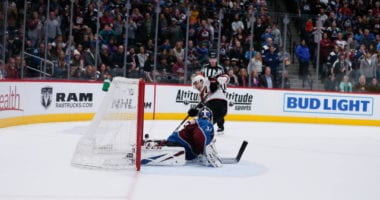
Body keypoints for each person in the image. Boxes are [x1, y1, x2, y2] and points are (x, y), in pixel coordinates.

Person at [145, 106, 222, 167]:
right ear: (210, 117)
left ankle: (155, 144)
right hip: (181, 146)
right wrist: (202, 151)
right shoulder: (207, 124)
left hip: (175, 141)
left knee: (166, 144)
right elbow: (199, 136)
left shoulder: (198, 121)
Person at [197, 51, 229, 134]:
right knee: (207, 107)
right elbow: (201, 78)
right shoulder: (204, 68)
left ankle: (220, 126)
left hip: (218, 90)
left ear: (216, 59)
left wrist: (222, 89)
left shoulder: (221, 68)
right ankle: (205, 123)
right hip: (208, 90)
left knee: (218, 107)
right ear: (209, 59)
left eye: (214, 59)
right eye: (211, 58)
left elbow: (224, 79)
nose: (212, 60)